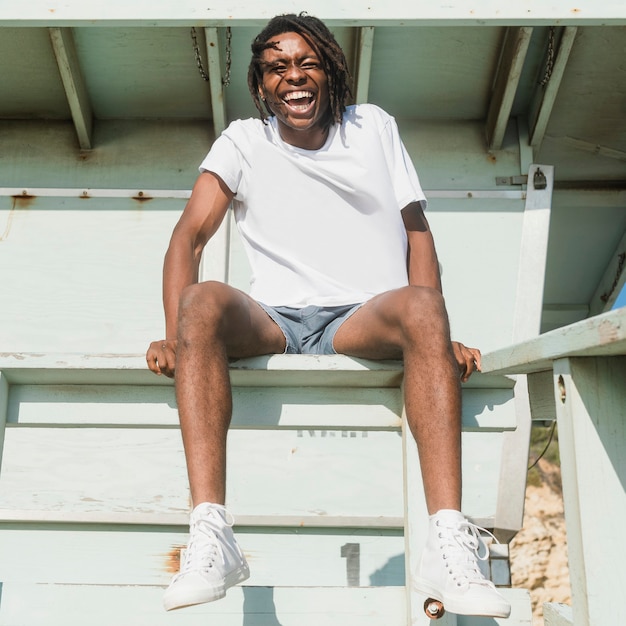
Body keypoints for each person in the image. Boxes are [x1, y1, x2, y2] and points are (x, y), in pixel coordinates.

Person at [146, 13, 511, 619]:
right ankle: (212, 535)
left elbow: (417, 235)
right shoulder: (243, 141)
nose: (294, 76)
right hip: (275, 317)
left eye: (307, 62)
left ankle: (447, 542)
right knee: (201, 301)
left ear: (330, 69)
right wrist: (171, 335)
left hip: (360, 316)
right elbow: (187, 237)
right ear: (262, 84)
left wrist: (439, 336)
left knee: (424, 306)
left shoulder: (372, 127)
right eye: (277, 67)